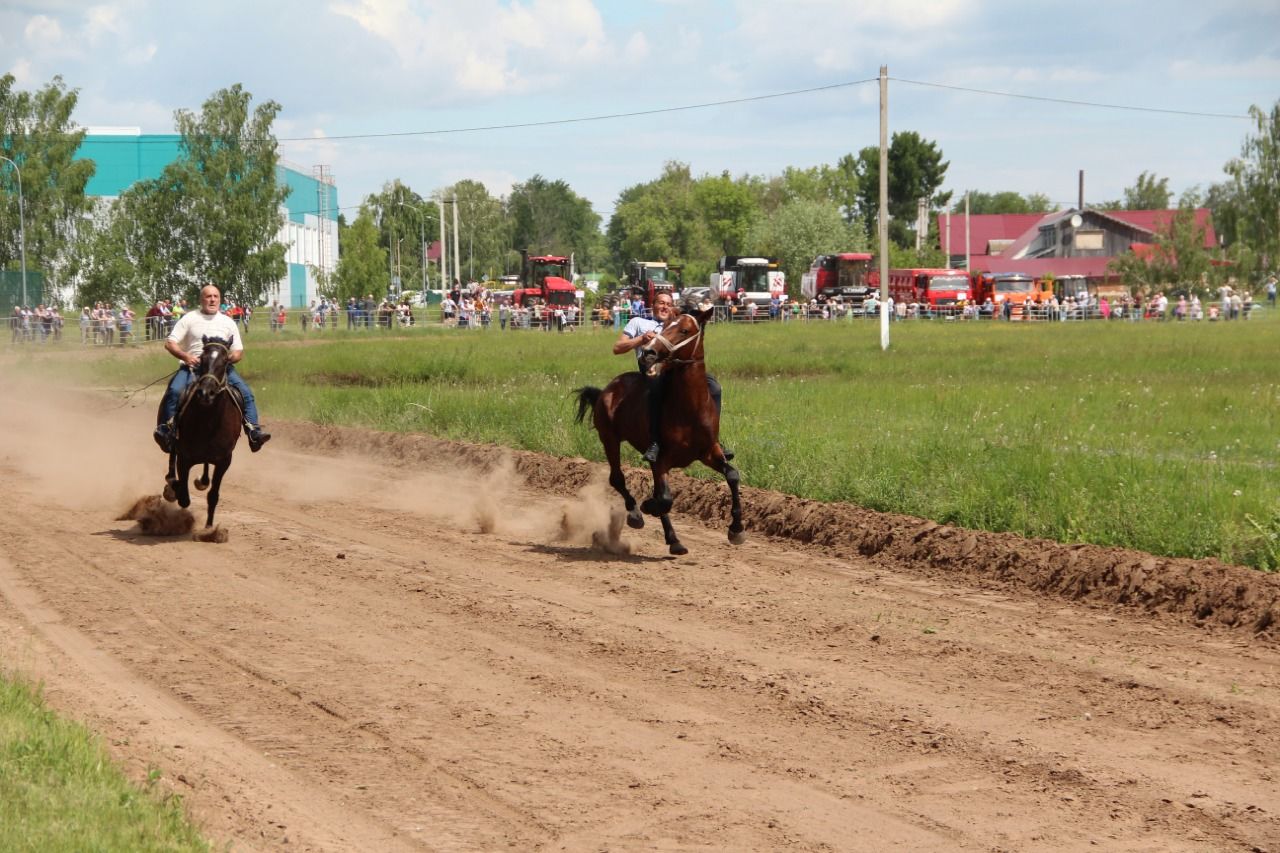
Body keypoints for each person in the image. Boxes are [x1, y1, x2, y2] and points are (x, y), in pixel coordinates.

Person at [613, 292, 731, 464]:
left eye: (668, 304)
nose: (665, 307)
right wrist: (641, 339)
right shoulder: (638, 322)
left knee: (715, 388)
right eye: (661, 303)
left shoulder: (675, 323)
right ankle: (654, 442)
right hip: (654, 369)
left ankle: (713, 441)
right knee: (655, 389)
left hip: (680, 371)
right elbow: (617, 348)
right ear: (652, 305)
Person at [153, 283, 271, 453]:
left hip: (220, 370)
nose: (212, 299)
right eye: (208, 296)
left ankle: (253, 431)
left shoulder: (228, 322)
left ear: (220, 300)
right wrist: (186, 356)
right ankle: (166, 430)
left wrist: (227, 359)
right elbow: (170, 343)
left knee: (246, 393)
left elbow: (238, 351)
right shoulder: (189, 318)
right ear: (201, 299)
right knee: (174, 390)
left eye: (215, 296)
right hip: (192, 368)